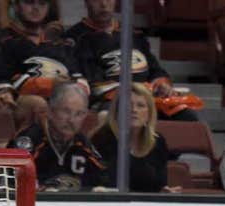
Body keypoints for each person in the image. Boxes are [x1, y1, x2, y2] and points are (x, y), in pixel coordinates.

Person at [66, 0, 198, 122]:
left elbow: (154, 68)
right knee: (109, 117)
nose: (104, 5)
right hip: (112, 98)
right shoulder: (75, 37)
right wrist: (132, 91)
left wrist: (161, 84)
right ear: (86, 2)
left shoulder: (133, 33)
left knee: (187, 116)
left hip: (148, 96)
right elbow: (90, 80)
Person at [0, 0, 82, 128]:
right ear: (16, 6)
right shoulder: (5, 40)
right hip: (25, 98)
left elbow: (77, 74)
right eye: (29, 2)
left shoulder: (61, 41)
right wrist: (50, 85)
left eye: (42, 3)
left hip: (63, 95)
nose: (36, 8)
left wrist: (73, 86)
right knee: (38, 104)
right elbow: (6, 80)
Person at [10, 81, 107, 190]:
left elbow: (104, 178)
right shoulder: (30, 140)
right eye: (66, 111)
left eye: (79, 114)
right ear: (50, 111)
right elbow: (9, 181)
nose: (71, 120)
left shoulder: (83, 145)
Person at [91, 82, 174, 193]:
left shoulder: (157, 142)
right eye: (128, 105)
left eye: (140, 106)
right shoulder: (101, 139)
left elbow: (161, 184)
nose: (134, 110)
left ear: (149, 114)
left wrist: (164, 191)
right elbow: (97, 183)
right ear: (117, 111)